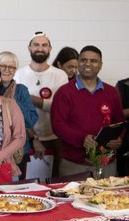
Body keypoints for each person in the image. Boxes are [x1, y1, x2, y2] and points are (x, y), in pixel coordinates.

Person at [52, 45, 124, 178]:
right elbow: (58, 125)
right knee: (74, 199)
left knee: (108, 198)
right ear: (78, 63)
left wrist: (119, 139)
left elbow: (119, 122)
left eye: (93, 61)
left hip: (107, 163)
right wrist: (82, 139)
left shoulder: (112, 92)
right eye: (83, 60)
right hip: (75, 164)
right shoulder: (64, 92)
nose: (88, 64)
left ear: (100, 65)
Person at [14, 32, 68, 178]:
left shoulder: (60, 75)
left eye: (44, 45)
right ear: (29, 48)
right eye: (36, 45)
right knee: (26, 184)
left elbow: (59, 108)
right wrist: (34, 138)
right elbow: (16, 111)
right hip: (26, 138)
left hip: (54, 138)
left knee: (54, 182)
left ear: (50, 49)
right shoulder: (18, 74)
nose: (40, 48)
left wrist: (29, 99)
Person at [0, 51, 38, 178]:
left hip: (18, 151)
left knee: (17, 190)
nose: (7, 70)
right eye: (3, 66)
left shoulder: (21, 90)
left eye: (11, 67)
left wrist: (12, 102)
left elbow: (31, 121)